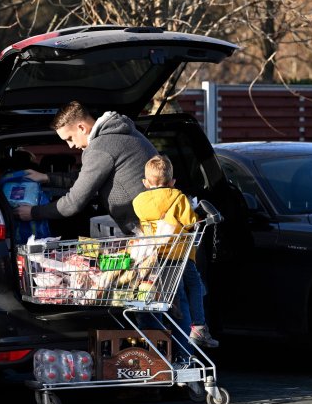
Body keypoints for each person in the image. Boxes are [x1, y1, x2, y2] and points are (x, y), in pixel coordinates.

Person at [14, 101, 157, 235]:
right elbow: (86, 177)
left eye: (69, 138)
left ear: (81, 128)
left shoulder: (100, 147)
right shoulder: (122, 132)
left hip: (147, 229)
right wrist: (46, 178)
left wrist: (33, 212)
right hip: (158, 221)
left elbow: (73, 203)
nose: (70, 146)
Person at [132, 154, 219, 349]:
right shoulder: (178, 197)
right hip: (179, 255)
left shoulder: (138, 201)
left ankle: (173, 330)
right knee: (195, 285)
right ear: (172, 181)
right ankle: (198, 326)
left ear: (145, 182)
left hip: (154, 256)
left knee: (171, 292)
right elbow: (190, 224)